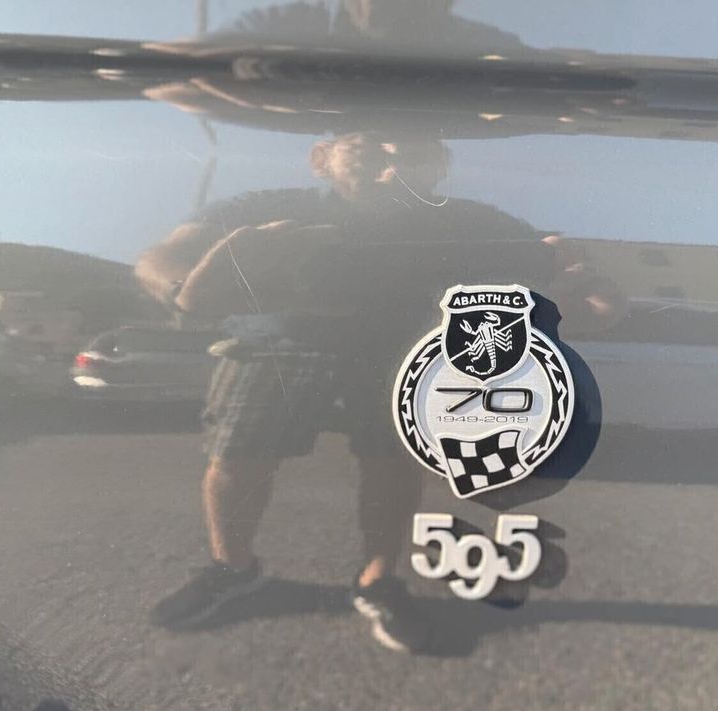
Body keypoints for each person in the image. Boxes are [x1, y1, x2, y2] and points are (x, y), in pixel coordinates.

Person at [136, 131, 561, 652]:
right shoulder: (273, 205)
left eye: (409, 148)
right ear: (321, 159)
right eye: (367, 144)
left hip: (398, 345)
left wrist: (583, 286)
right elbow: (160, 256)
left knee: (393, 463)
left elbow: (552, 256)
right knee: (239, 453)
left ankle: (379, 580)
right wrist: (184, 288)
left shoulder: (466, 219)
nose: (389, 159)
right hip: (277, 338)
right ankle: (232, 568)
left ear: (439, 166)